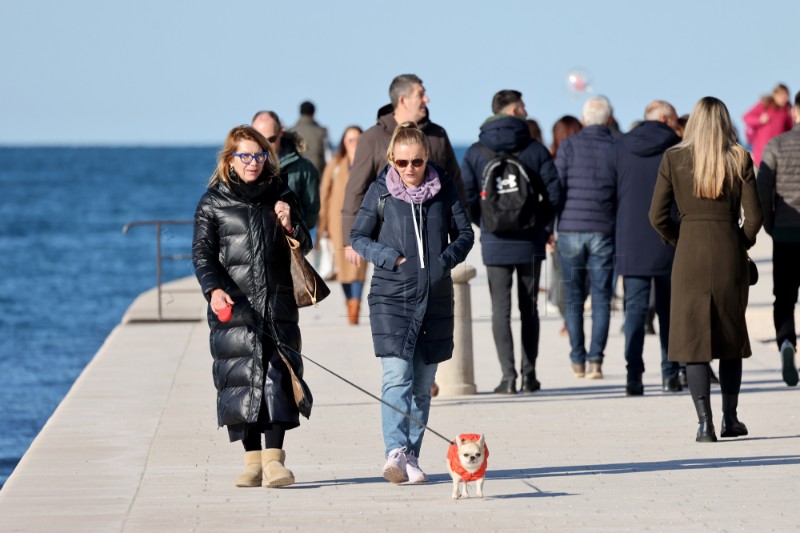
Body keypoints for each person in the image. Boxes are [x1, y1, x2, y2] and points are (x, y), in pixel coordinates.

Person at [350, 122, 474, 483]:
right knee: (397, 376)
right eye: (402, 163)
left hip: (435, 296)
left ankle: (411, 455)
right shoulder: (381, 192)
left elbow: (465, 234)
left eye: (417, 162)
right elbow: (358, 237)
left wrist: (443, 261)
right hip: (392, 296)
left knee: (422, 384)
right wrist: (392, 258)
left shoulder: (444, 188)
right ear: (391, 159)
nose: (410, 170)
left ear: (426, 159)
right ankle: (394, 451)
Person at [192, 125, 312, 487]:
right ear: (230, 158)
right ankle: (251, 461)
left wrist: (289, 223)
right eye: (244, 156)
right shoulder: (213, 201)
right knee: (241, 379)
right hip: (235, 304)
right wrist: (213, 289)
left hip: (277, 301)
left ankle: (275, 461)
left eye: (258, 155)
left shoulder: (281, 193)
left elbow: (303, 242)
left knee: (279, 374)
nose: (252, 163)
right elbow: (202, 254)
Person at [649, 96, 763, 442]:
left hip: (689, 253)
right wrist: (741, 241)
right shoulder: (739, 156)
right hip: (728, 251)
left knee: (692, 340)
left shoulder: (674, 157)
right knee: (730, 337)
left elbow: (656, 216)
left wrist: (677, 240)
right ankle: (731, 419)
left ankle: (704, 423)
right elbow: (755, 217)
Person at [461, 90, 560, 394]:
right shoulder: (535, 148)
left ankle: (508, 378)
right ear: (514, 110)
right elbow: (554, 194)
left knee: (499, 311)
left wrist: (486, 224)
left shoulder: (476, 151)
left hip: (495, 241)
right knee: (529, 309)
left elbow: (466, 198)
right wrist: (540, 226)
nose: (527, 111)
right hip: (530, 241)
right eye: (523, 107)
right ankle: (530, 375)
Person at [341, 74, 465, 267]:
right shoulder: (373, 137)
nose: (427, 99)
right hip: (392, 243)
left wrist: (461, 233)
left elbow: (455, 183)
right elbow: (356, 188)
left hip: (435, 245)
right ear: (402, 100)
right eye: (420, 95)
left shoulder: (438, 135)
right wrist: (348, 241)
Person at [607, 100, 682, 395]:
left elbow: (609, 192)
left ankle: (633, 376)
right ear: (664, 118)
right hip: (670, 236)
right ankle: (670, 373)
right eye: (674, 119)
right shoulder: (677, 147)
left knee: (634, 310)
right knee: (669, 310)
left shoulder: (621, 146)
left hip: (630, 238)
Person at [555, 96, 616, 380]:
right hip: (603, 229)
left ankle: (577, 359)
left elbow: (558, 188)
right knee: (602, 298)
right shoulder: (616, 147)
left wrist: (550, 226)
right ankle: (596, 362)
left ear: (584, 118)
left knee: (574, 297)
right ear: (609, 118)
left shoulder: (568, 145)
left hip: (570, 228)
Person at [757, 90, 800, 387]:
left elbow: (762, 191)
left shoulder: (775, 145)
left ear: (795, 113)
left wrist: (769, 225)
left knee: (784, 297)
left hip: (785, 233)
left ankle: (786, 342)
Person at [317, 126, 367, 325]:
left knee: (359, 266)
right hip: (337, 222)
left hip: (362, 222)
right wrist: (322, 226)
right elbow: (324, 195)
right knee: (343, 268)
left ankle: (356, 304)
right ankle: (350, 302)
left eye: (357, 139)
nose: (354, 143)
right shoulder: (335, 165)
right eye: (350, 139)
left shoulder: (366, 164)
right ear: (344, 143)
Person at [252, 110, 321, 235]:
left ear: (281, 132)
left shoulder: (304, 169)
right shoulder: (244, 168)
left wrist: (292, 229)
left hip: (288, 243)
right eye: (259, 139)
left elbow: (311, 217)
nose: (265, 145)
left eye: (271, 139)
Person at [548, 116, 583, 336]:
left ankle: (570, 322)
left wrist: (547, 230)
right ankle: (572, 321)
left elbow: (550, 198)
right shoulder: (586, 159)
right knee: (581, 282)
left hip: (562, 229)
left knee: (563, 281)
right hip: (590, 226)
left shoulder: (553, 160)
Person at [743, 83, 793, 166]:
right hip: (762, 151)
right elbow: (746, 118)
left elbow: (791, 129)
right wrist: (759, 120)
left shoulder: (787, 110)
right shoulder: (765, 105)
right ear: (775, 95)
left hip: (779, 151)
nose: (785, 98)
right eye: (782, 95)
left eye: (786, 95)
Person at [290, 100, 329, 175]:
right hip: (316, 175)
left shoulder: (290, 132)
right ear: (313, 113)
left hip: (295, 174)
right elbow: (328, 157)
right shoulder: (321, 132)